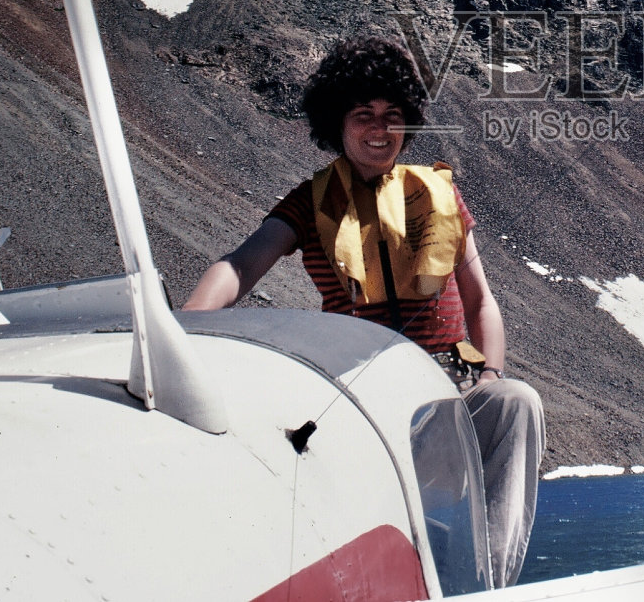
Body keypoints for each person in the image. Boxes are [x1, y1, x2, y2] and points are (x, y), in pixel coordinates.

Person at [185, 37, 544, 588]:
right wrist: (187, 324)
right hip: (363, 402)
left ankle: (487, 587)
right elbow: (240, 265)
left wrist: (490, 374)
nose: (380, 128)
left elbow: (480, 301)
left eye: (392, 114)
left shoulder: (441, 194)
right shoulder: (309, 203)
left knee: (517, 402)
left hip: (450, 399)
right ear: (338, 122)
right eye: (363, 115)